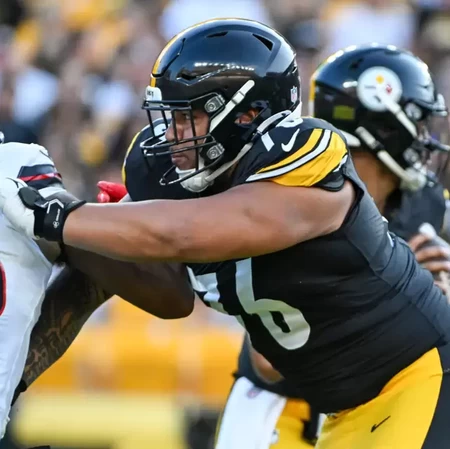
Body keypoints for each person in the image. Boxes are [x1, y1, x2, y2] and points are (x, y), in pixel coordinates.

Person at [2, 19, 450, 448]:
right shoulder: (177, 176)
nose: (170, 134)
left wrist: (58, 214)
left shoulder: (308, 157)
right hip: (343, 406)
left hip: (412, 379)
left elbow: (188, 233)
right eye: (169, 116)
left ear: (248, 114)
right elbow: (123, 283)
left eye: (188, 117)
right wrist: (12, 377)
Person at [226, 43, 450, 449]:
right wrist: (394, 295)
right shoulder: (295, 196)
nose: (426, 138)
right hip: (283, 404)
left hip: (377, 402)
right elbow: (269, 361)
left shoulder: (427, 202)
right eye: (418, 123)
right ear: (384, 126)